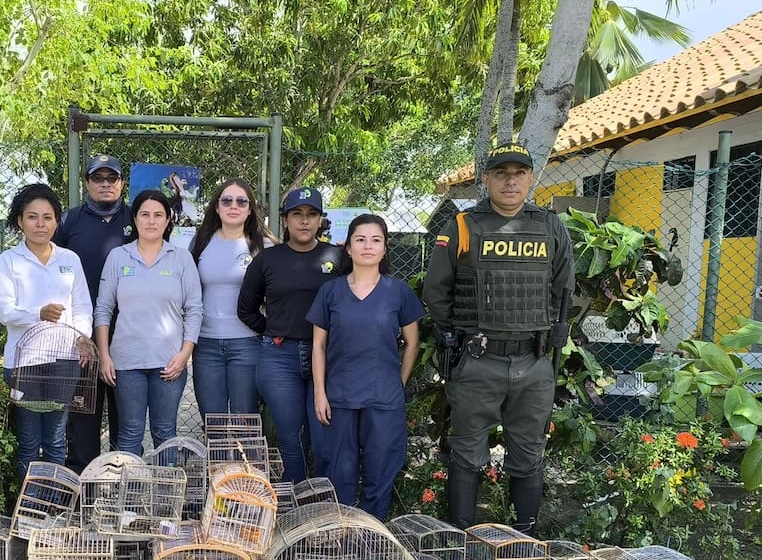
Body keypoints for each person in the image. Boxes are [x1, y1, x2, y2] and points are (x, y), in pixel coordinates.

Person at [423, 143, 574, 534]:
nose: (511, 181)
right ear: (486, 178)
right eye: (501, 173)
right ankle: (461, 542)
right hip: (477, 360)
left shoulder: (550, 226)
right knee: (467, 452)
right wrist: (454, 338)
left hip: (535, 362)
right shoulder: (462, 225)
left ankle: (520, 545)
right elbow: (436, 291)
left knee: (528, 454)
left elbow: (563, 290)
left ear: (530, 178)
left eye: (519, 173)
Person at [309, 214, 423, 521]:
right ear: (348, 248)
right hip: (340, 396)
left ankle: (372, 534)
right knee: (340, 471)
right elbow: (318, 345)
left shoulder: (398, 292)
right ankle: (342, 530)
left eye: (376, 240)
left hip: (384, 396)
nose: (368, 246)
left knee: (380, 469)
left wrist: (398, 382)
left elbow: (412, 342)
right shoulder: (330, 292)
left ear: (385, 248)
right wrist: (320, 393)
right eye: (360, 240)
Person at [237, 186, 344, 483]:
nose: (305, 221)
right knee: (291, 439)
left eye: (312, 214)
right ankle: (296, 504)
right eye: (297, 214)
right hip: (280, 358)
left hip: (327, 356)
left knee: (324, 438)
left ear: (321, 219)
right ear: (285, 219)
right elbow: (245, 309)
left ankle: (323, 501)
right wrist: (273, 332)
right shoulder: (268, 260)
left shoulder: (336, 257)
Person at [0, 183, 92, 484]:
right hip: (24, 363)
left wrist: (82, 336)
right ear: (20, 221)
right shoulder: (9, 260)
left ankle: (54, 506)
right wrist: (38, 314)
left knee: (56, 441)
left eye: (48, 217)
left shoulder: (69, 260)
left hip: (63, 361)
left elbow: (83, 305)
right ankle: (28, 508)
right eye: (32, 217)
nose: (40, 224)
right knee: (28, 442)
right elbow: (3, 310)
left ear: (56, 221)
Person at [94, 189, 202, 454]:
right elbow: (103, 310)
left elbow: (195, 309)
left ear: (167, 221)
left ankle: (168, 493)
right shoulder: (118, 257)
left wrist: (185, 354)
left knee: (165, 433)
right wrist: (105, 356)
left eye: (158, 215)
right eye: (144, 214)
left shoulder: (181, 258)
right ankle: (130, 493)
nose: (151, 221)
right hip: (126, 362)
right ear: (135, 219)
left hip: (169, 363)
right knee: (130, 432)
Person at [53, 155, 135, 471]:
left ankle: (124, 482)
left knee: (124, 415)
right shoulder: (69, 221)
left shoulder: (136, 218)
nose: (105, 184)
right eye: (97, 178)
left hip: (126, 331)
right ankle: (81, 482)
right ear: (86, 183)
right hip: (83, 333)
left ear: (121, 183)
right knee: (83, 413)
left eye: (111, 178)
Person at [188, 178, 270, 425]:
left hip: (247, 344)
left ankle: (246, 465)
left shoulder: (264, 246)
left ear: (250, 208)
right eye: (227, 200)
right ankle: (219, 466)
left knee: (246, 421)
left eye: (241, 201)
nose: (233, 206)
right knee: (213, 422)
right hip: (206, 344)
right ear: (217, 207)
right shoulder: (200, 242)